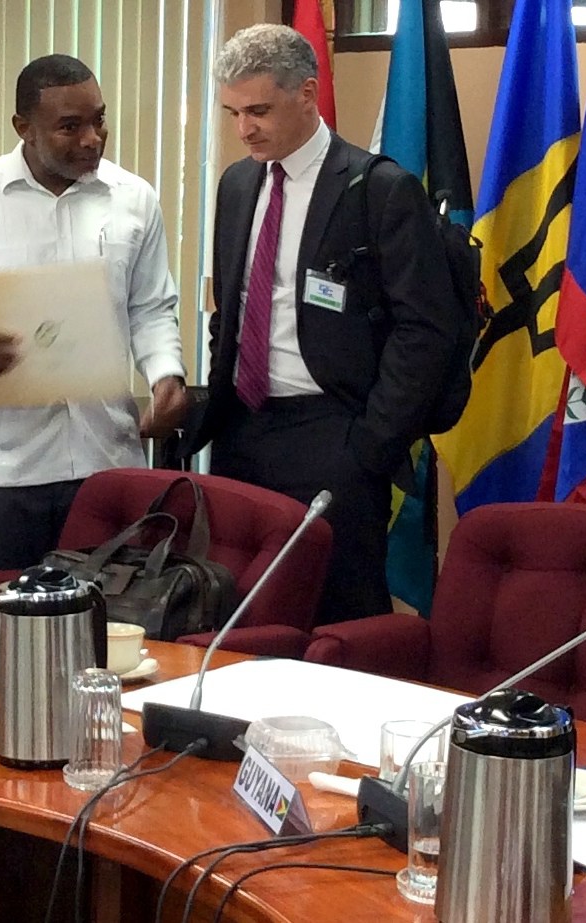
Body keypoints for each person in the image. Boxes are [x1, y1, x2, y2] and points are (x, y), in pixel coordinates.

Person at [192, 24, 457, 623]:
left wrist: (370, 443)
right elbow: (230, 308)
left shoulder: (378, 188)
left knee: (335, 614)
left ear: (307, 93)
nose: (244, 129)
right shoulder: (238, 184)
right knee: (242, 616)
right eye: (233, 112)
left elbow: (426, 329)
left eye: (258, 110)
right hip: (243, 429)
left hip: (334, 431)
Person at [0, 54, 188, 573]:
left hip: (108, 456)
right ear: (24, 128)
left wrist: (166, 372)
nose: (92, 139)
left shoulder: (134, 199)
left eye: (98, 119)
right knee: (0, 629)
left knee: (112, 626)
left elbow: (150, 306)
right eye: (69, 127)